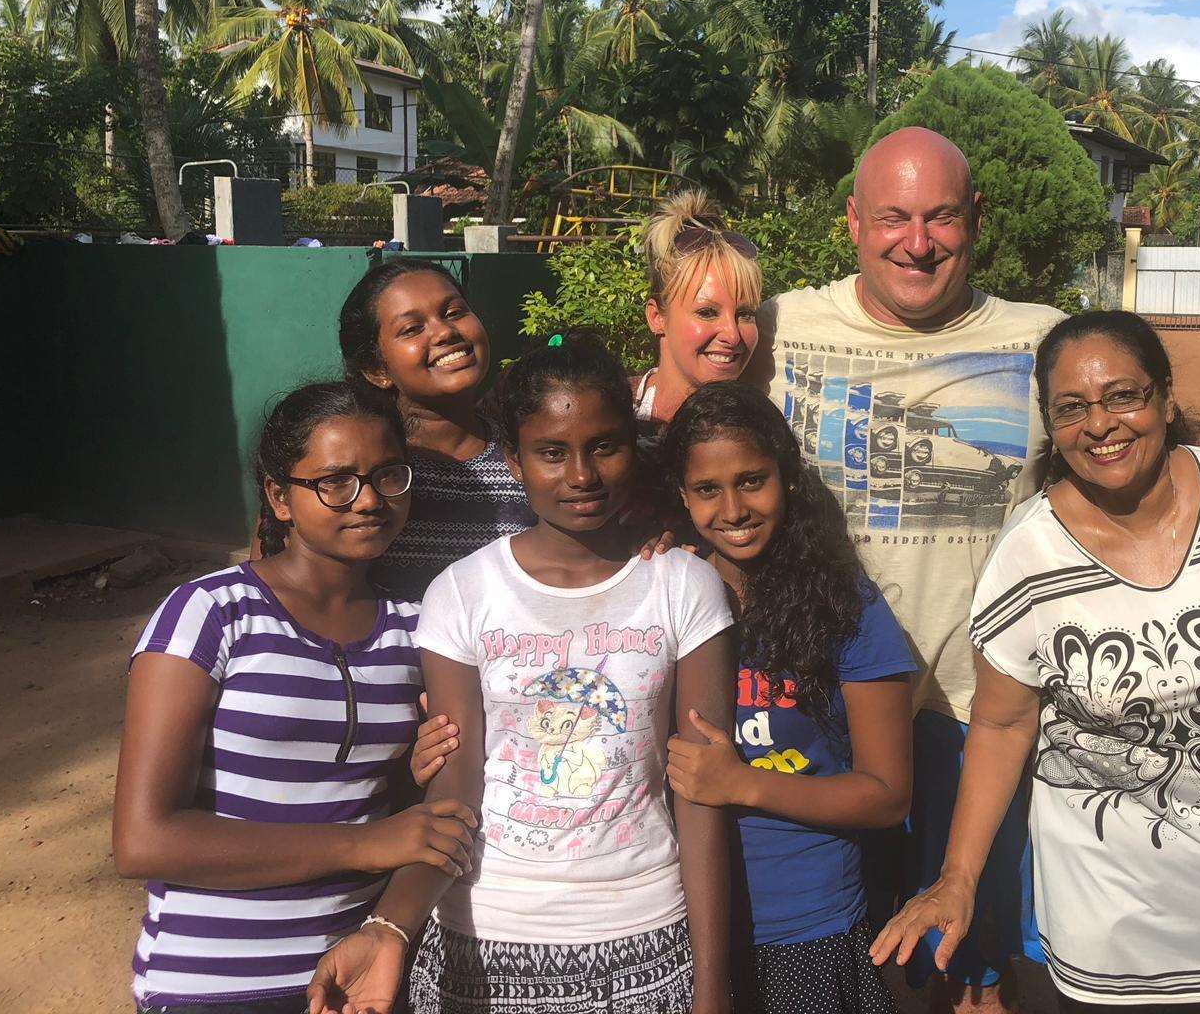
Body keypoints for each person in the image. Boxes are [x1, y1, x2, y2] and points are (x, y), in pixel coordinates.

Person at [750, 126, 1200, 1011]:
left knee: (991, 951)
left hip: (978, 701)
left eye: (942, 216)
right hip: (827, 706)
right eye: (893, 218)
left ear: (975, 220)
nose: (918, 241)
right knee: (836, 945)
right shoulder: (777, 327)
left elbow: (1154, 424)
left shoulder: (1037, 338)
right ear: (853, 223)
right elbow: (692, 421)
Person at [870, 311, 1200, 1011]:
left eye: (1123, 396)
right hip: (1110, 935)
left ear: (1167, 399)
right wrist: (957, 877)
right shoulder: (1027, 560)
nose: (1100, 424)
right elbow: (998, 727)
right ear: (1050, 425)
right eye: (1072, 407)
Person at [306, 332, 738, 1014]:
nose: (582, 476)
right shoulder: (463, 594)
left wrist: (715, 990)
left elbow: (704, 795)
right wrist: (392, 928)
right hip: (482, 935)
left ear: (635, 444)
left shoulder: (683, 587)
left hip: (648, 933)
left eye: (604, 446)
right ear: (514, 459)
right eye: (551, 452)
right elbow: (457, 784)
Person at [113, 382, 477, 1013]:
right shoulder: (211, 613)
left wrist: (410, 778)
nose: (367, 500)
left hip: (361, 975)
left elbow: (391, 801)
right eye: (335, 481)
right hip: (212, 983)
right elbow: (144, 839)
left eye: (388, 476)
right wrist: (364, 844)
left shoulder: (417, 627)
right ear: (280, 498)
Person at [656, 381, 915, 1014]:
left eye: (752, 481)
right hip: (671, 919)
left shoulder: (846, 607)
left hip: (807, 924)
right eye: (707, 490)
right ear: (681, 497)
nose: (734, 509)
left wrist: (742, 783)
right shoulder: (657, 591)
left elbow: (886, 796)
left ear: (788, 478)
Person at [338, 258, 535, 598]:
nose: (445, 332)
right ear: (375, 369)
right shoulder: (363, 473)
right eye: (412, 329)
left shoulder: (530, 455)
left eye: (455, 312)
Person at [633, 191, 765, 429]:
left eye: (744, 314)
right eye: (707, 312)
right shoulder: (611, 413)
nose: (732, 335)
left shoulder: (759, 433)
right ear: (656, 317)